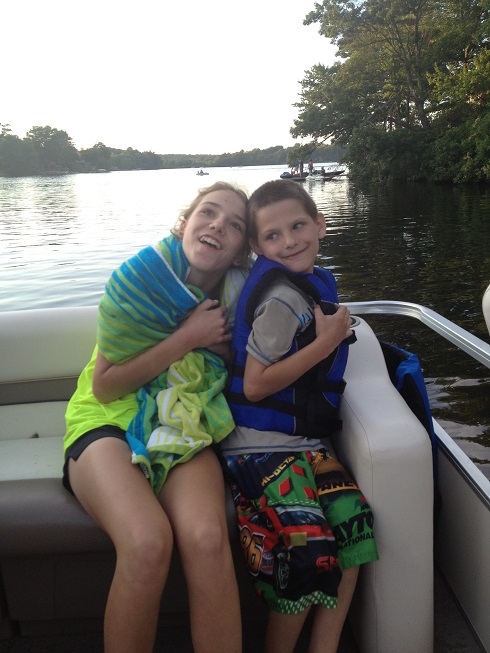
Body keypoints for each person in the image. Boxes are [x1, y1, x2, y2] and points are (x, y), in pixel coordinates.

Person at [63, 181, 250, 653]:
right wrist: (188, 337)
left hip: (182, 420)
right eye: (207, 213)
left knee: (208, 539)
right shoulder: (145, 280)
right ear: (185, 223)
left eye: (234, 225)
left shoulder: (238, 297)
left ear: (239, 251)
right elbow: (106, 384)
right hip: (107, 418)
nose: (216, 227)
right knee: (147, 543)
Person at [220, 180, 378, 653]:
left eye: (298, 226)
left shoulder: (308, 281)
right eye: (272, 236)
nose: (288, 241)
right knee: (310, 552)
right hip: (257, 445)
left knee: (355, 525)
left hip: (303, 443)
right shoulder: (282, 300)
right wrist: (328, 342)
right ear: (256, 246)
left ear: (320, 225)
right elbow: (256, 384)